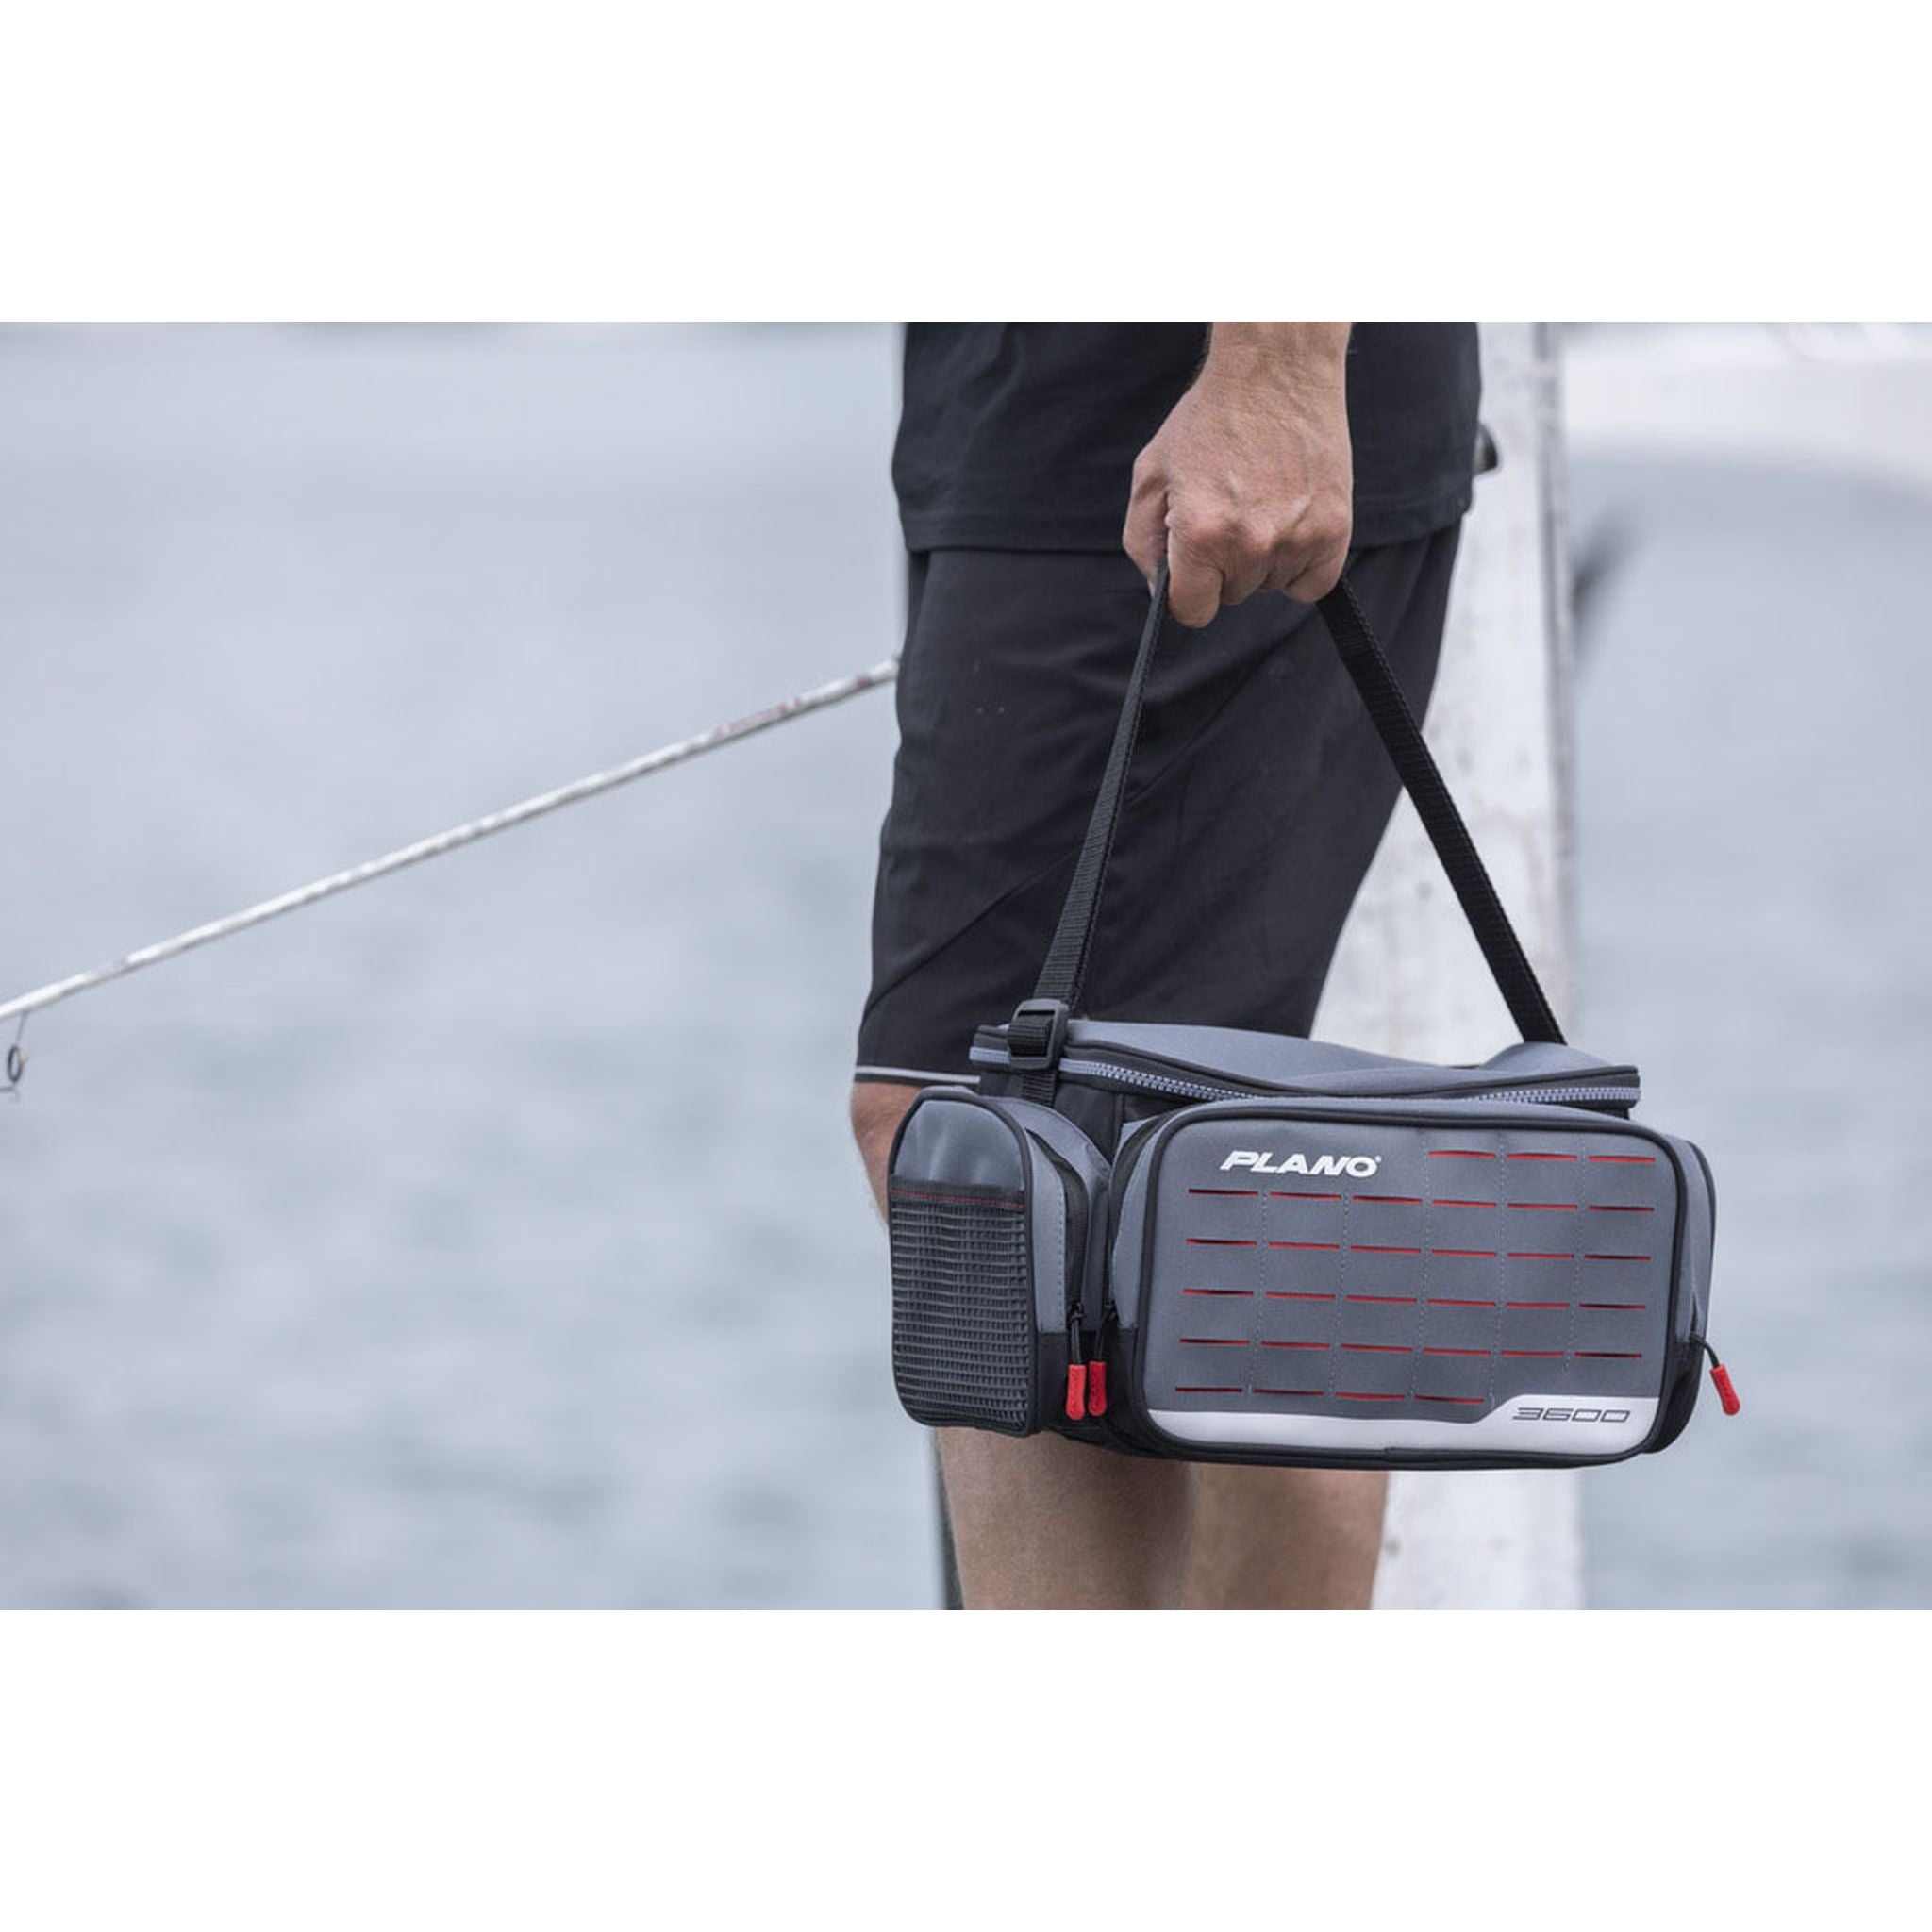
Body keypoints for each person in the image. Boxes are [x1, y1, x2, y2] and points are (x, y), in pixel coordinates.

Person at [850, 323, 1481, 1609]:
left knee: (1025, 1163)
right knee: (1119, 1170)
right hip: (1039, 422)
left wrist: (1275, 367)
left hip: (1176, 425)